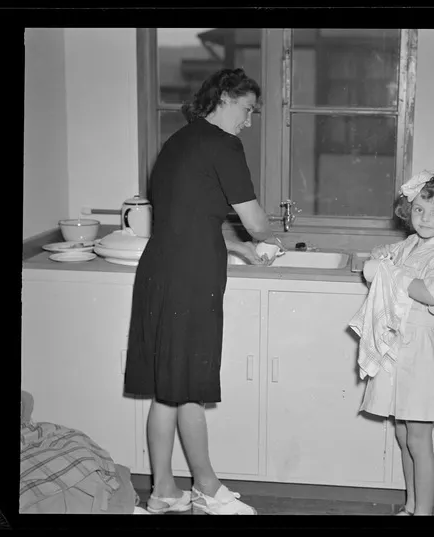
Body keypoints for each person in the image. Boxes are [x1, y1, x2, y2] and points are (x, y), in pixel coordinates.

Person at [123, 68, 282, 515]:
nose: (248, 121)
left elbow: (189, 219)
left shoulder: (180, 141)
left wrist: (241, 250)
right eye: (247, 109)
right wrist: (263, 239)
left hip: (162, 269)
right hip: (190, 277)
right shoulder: (222, 143)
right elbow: (255, 221)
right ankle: (207, 489)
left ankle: (164, 492)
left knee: (171, 388)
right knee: (185, 384)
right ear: (225, 97)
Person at [353, 161, 434, 516]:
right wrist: (383, 256)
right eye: (419, 209)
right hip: (399, 347)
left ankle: (424, 513)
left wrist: (394, 274)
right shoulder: (412, 242)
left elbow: (429, 294)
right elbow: (390, 259)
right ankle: (410, 506)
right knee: (403, 435)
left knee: (419, 439)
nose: (425, 217)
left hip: (421, 352)